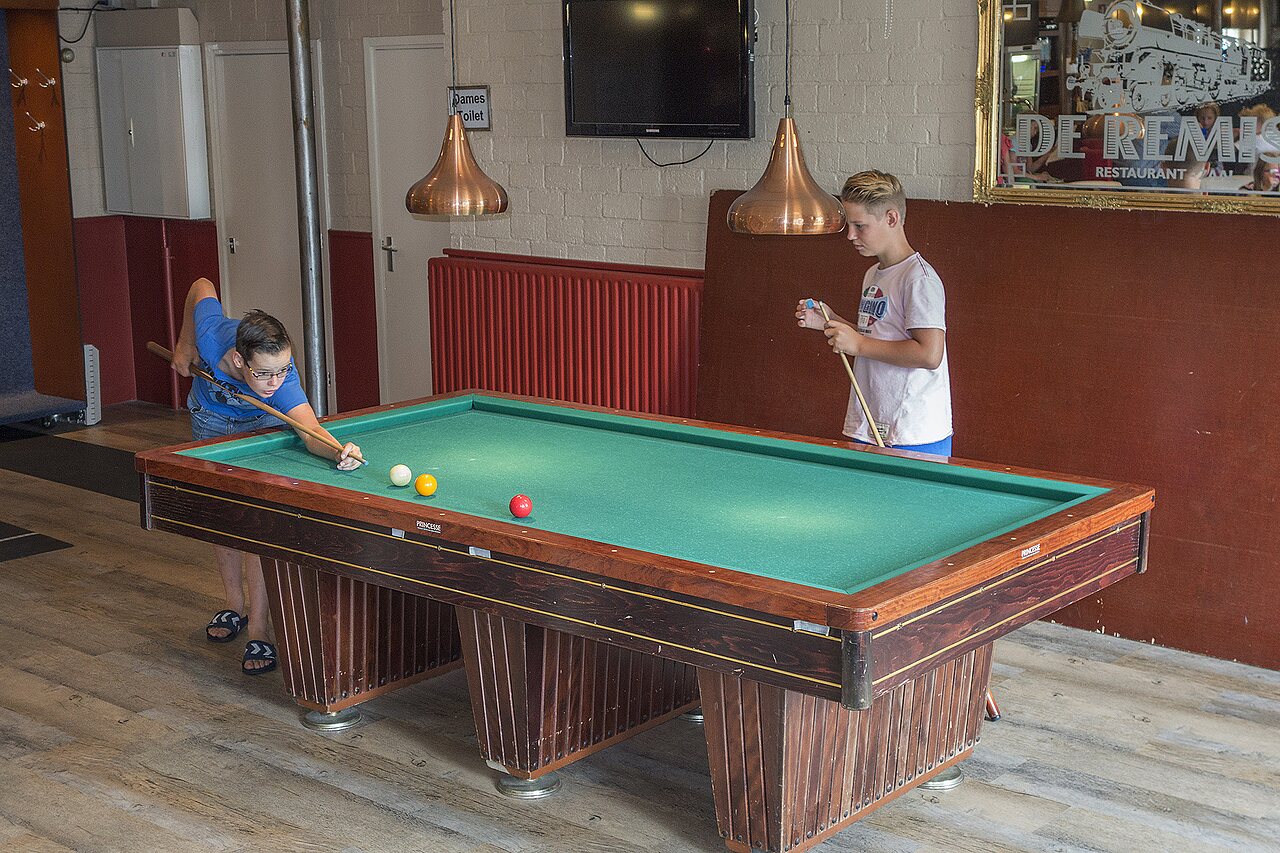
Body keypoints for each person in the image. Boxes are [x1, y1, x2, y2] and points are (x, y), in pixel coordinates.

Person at [169, 277, 361, 675]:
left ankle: (259, 627)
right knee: (221, 519)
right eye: (265, 374)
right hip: (208, 420)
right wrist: (185, 344)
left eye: (283, 370)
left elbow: (311, 434)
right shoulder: (211, 334)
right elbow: (201, 286)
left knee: (254, 523)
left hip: (259, 427)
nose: (276, 382)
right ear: (240, 361)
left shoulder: (283, 383)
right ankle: (232, 606)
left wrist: (339, 449)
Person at [794, 170, 952, 456]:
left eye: (860, 226)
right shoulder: (872, 274)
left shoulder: (920, 279)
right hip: (870, 422)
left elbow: (930, 354)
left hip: (912, 431)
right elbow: (877, 333)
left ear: (891, 218)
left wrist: (859, 345)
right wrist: (830, 320)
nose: (851, 235)